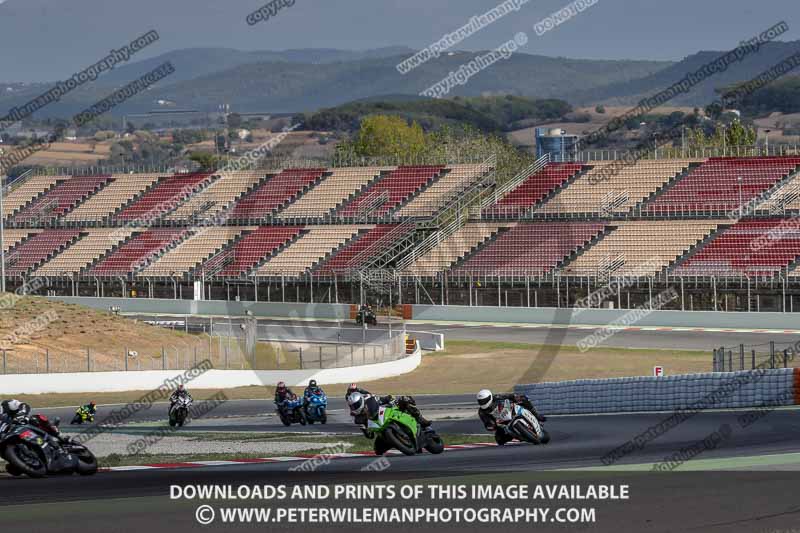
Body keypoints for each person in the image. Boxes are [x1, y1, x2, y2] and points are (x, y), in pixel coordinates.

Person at [476, 389, 546, 444]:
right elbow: (486, 423)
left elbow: (510, 396)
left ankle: (536, 415)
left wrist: (515, 398)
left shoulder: (497, 397)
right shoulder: (481, 412)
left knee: (524, 399)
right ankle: (518, 435)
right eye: (481, 401)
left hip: (510, 410)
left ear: (490, 397)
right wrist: (491, 425)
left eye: (484, 400)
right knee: (499, 440)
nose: (483, 402)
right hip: (501, 423)